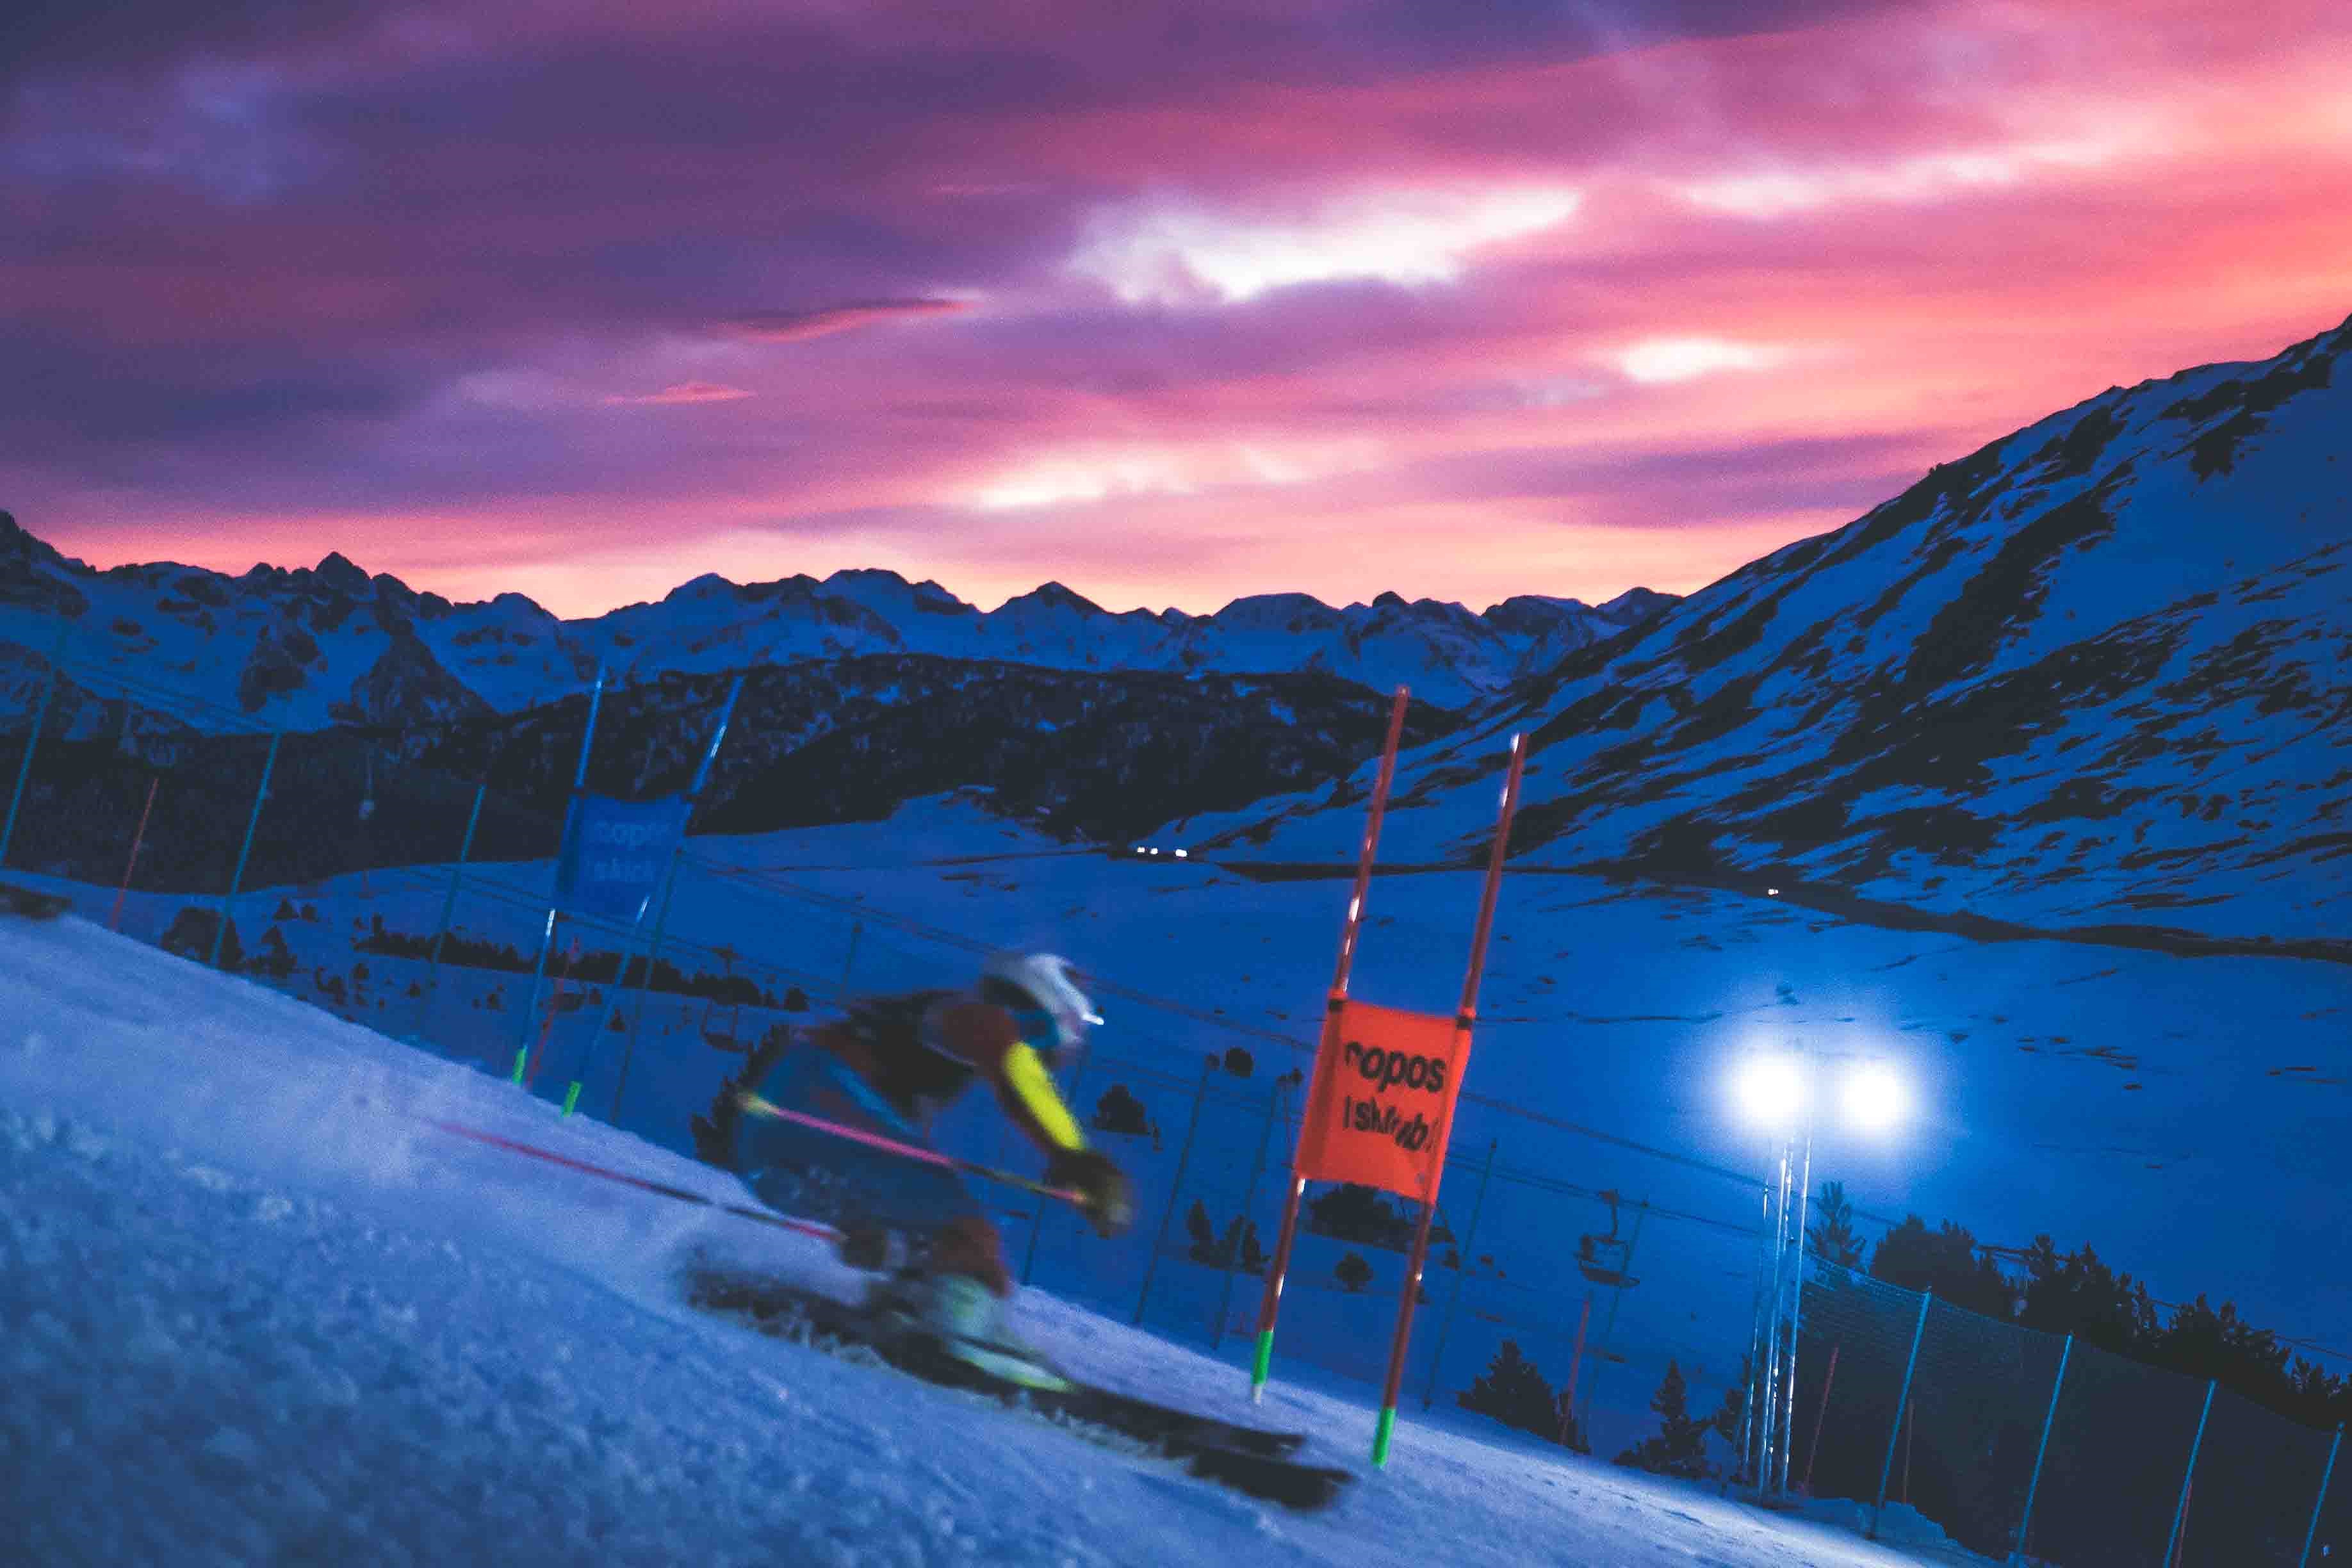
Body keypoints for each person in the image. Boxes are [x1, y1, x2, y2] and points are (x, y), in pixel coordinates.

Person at [696, 952, 1133, 1383]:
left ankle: (916, 1299)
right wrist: (1077, 1158)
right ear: (1044, 1011)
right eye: (1049, 1039)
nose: (1040, 1055)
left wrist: (890, 1238)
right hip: (821, 1104)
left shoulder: (929, 1026)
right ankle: (956, 1325)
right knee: (967, 1231)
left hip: (769, 1141)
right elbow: (1017, 1071)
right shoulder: (983, 1018)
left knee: (930, 1222)